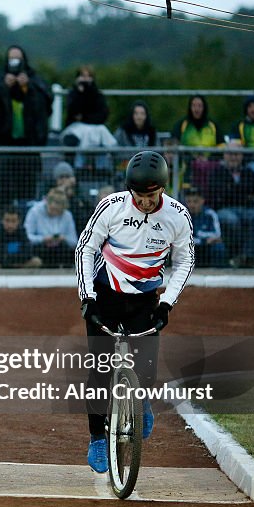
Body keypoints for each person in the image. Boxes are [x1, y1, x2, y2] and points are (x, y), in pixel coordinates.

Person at [75, 150, 194, 473]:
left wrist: (167, 302)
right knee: (99, 370)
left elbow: (185, 260)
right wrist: (87, 297)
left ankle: (141, 400)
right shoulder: (112, 207)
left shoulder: (177, 216)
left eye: (150, 195)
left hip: (145, 300)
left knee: (148, 369)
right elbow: (85, 248)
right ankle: (97, 438)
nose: (143, 202)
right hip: (105, 296)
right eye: (138, 196)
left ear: (163, 190)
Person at [0, 45, 51, 214]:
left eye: (18, 59)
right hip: (5, 143)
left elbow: (47, 100)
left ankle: (25, 229)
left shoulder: (33, 78)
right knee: (5, 188)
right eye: (11, 59)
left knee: (27, 190)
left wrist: (28, 86)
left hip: (29, 144)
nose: (15, 63)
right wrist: (4, 87)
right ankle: (3, 229)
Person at [209, 146, 254, 268]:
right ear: (225, 155)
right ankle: (236, 255)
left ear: (242, 156)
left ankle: (248, 256)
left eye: (237, 154)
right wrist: (241, 192)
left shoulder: (248, 171)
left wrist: (233, 190)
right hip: (224, 208)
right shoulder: (218, 172)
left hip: (246, 208)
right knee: (231, 220)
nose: (234, 157)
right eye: (231, 154)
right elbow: (219, 193)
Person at [24, 187, 78, 267]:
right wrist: (43, 239)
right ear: (47, 203)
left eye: (58, 211)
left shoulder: (67, 215)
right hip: (40, 248)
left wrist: (63, 238)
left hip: (61, 250)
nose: (55, 213)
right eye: (52, 209)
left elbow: (74, 241)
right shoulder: (34, 212)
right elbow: (27, 237)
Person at [183, 186, 228, 268]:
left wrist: (198, 238)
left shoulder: (210, 214)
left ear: (202, 201)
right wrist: (203, 239)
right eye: (189, 201)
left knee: (219, 247)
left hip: (206, 248)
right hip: (190, 248)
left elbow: (217, 235)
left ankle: (216, 273)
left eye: (195, 201)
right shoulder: (182, 215)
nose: (192, 205)